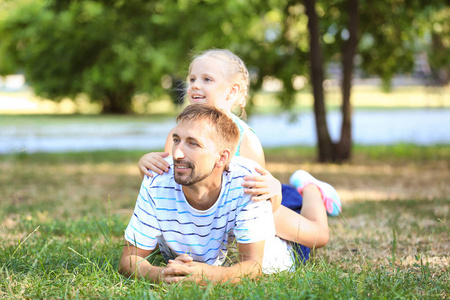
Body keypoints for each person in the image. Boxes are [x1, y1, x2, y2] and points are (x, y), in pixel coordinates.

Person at [137, 49, 341, 261]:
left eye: (207, 79)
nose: (195, 85)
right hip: (205, 211)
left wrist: (274, 189)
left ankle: (311, 189)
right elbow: (168, 180)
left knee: (317, 237)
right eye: (192, 79)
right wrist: (146, 164)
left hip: (243, 205)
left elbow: (258, 193)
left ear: (232, 92)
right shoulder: (178, 132)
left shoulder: (246, 139)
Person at [119, 104, 297, 284]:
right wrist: (161, 274)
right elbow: (129, 260)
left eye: (193, 143)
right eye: (176, 140)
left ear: (222, 157)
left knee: (313, 232)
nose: (177, 153)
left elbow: (253, 266)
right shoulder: (157, 180)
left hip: (279, 246)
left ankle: (312, 188)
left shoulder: (248, 184)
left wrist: (208, 275)